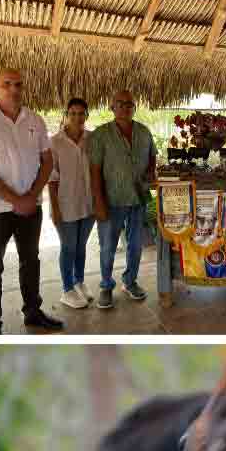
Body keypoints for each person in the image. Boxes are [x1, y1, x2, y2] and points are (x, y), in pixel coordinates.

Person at [0, 68, 62, 334]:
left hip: (31, 207)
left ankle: (33, 312)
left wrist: (30, 197)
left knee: (31, 260)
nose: (13, 89)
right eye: (6, 84)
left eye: (18, 84)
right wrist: (15, 200)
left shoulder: (35, 120)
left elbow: (47, 161)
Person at [89, 89, 156, 309]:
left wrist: (150, 173)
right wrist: (98, 201)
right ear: (112, 106)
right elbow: (95, 170)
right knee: (108, 246)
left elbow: (152, 156)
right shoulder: (100, 134)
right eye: (121, 103)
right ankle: (106, 286)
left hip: (138, 199)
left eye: (130, 104)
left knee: (136, 245)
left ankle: (130, 281)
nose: (126, 107)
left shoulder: (144, 132)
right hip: (111, 200)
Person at [49, 98, 95, 310]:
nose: (77, 118)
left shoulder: (92, 139)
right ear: (66, 114)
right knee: (68, 247)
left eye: (81, 113)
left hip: (88, 204)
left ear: (86, 115)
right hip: (65, 204)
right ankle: (67, 290)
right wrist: (55, 209)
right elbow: (52, 177)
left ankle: (79, 282)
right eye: (73, 113)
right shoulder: (55, 142)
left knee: (80, 247)